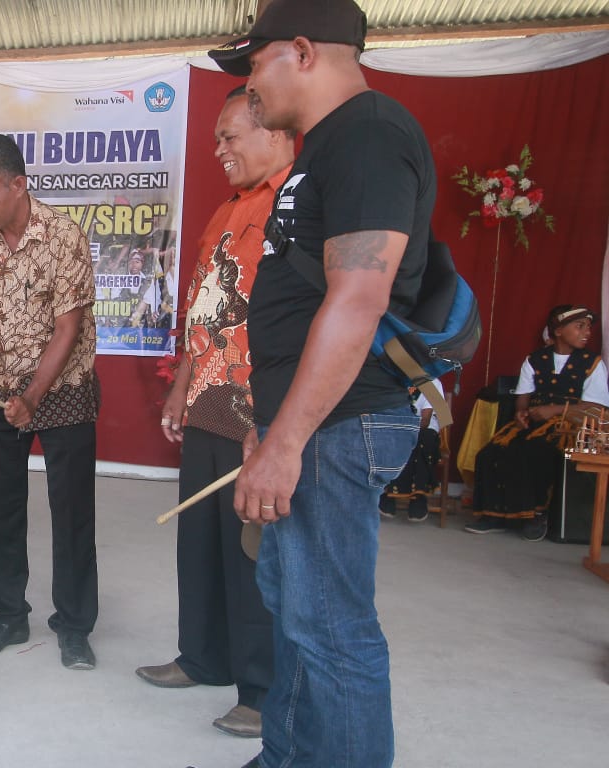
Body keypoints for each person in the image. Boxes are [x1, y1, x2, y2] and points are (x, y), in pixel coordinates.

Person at [208, 0, 435, 764]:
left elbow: (358, 297)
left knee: (333, 628)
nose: (247, 86)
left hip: (339, 426)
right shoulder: (326, 145)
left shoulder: (369, 135)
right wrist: (269, 419)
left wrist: (290, 436)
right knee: (296, 613)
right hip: (305, 424)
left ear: (301, 50)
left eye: (253, 65)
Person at [135, 85, 294, 739]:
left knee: (252, 552)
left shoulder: (296, 204)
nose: (220, 150)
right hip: (208, 403)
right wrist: (180, 386)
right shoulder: (228, 208)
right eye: (217, 140)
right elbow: (206, 308)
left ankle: (261, 690)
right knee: (199, 543)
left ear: (275, 130)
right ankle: (203, 657)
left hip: (260, 410)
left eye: (230, 136)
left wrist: (279, 426)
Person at [0, 134, 101, 671]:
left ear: (19, 185)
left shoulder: (64, 237)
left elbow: (68, 327)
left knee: (71, 512)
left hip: (62, 390)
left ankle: (75, 625)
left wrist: (32, 398)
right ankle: (9, 617)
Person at [466, 306, 608, 541]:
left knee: (535, 450)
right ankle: (493, 515)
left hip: (569, 427)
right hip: (534, 422)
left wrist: (555, 410)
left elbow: (597, 410)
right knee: (490, 453)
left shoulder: (593, 363)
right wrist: (521, 413)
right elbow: (523, 397)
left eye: (588, 327)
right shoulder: (535, 359)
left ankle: (535, 515)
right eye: (579, 326)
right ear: (559, 330)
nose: (587, 332)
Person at [380, 379, 445, 523]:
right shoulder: (395, 377)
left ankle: (418, 497)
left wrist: (403, 428)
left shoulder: (433, 382)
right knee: (388, 437)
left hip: (425, 431)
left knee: (420, 440)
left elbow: (425, 420)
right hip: (397, 427)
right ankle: (389, 494)